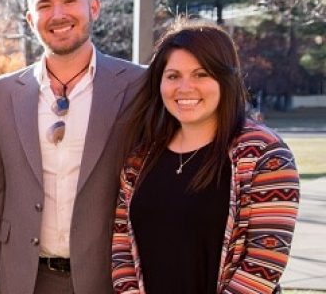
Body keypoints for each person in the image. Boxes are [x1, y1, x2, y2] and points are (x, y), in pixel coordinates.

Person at [0, 0, 144, 294]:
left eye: (69, 0)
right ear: (30, 20)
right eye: (44, 5)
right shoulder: (2, 94)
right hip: (23, 280)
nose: (58, 14)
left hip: (108, 280)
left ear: (93, 7)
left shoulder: (138, 85)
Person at [111, 19, 300, 293]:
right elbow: (121, 247)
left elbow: (265, 260)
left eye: (201, 74)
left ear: (225, 79)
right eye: (173, 76)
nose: (185, 88)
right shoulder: (140, 159)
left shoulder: (264, 153)